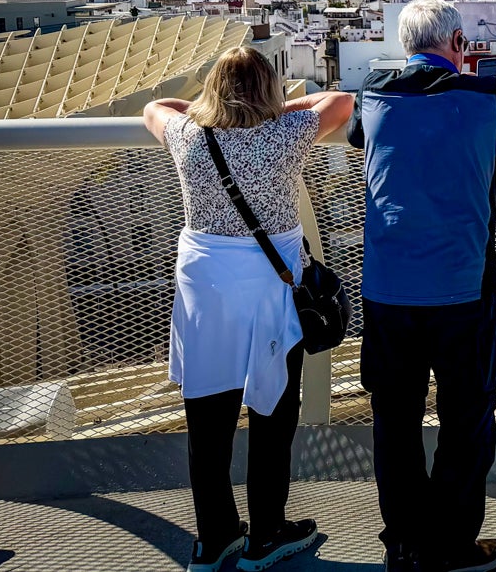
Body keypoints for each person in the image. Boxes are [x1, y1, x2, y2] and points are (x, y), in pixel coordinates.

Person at [348, 0, 496, 572]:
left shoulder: (373, 93)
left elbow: (354, 136)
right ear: (459, 45)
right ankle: (449, 547)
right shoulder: (485, 98)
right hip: (462, 287)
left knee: (394, 423)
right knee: (465, 420)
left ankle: (403, 543)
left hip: (387, 287)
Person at [145, 47, 354, 572]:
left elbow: (156, 107)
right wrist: (275, 111)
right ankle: (268, 531)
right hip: (270, 286)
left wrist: (210, 110)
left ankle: (214, 539)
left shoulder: (190, 137)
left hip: (207, 287)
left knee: (207, 417)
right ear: (269, 91)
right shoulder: (285, 136)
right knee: (273, 411)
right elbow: (341, 101)